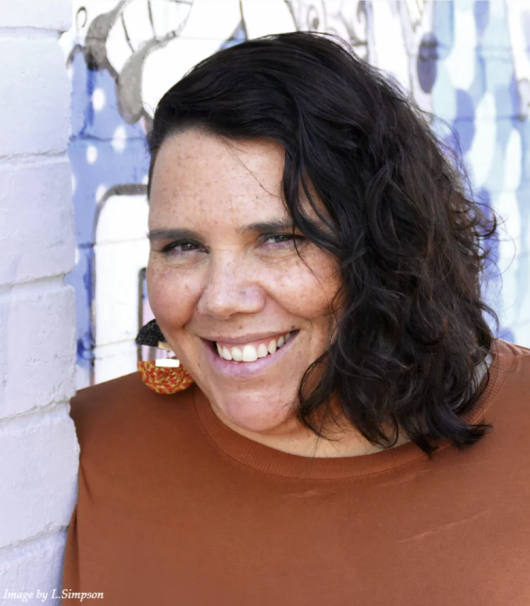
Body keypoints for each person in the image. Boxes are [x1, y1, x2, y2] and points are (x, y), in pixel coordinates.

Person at [62, 32, 530, 605]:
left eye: (280, 238)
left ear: (388, 246)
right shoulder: (83, 447)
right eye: (183, 247)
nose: (221, 300)